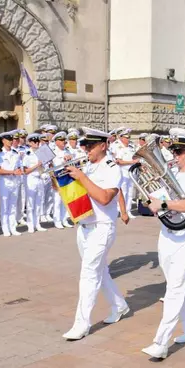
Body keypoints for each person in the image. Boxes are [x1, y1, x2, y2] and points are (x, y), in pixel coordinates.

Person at [141, 128, 185, 360]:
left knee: (174, 290)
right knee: (175, 285)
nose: (175, 155)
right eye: (173, 150)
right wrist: (152, 201)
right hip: (167, 233)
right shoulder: (173, 172)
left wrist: (162, 204)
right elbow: (161, 200)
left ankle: (161, 342)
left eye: (179, 150)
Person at [62, 128, 130, 340]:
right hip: (84, 226)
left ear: (103, 145)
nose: (86, 150)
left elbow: (104, 198)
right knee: (100, 272)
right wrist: (61, 181)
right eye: (84, 146)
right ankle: (119, 306)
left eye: (90, 146)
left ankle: (81, 324)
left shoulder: (111, 168)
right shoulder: (88, 166)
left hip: (102, 227)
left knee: (89, 274)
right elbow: (79, 193)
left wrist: (81, 176)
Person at [0, 131, 24, 236]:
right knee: (5, 206)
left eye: (11, 140)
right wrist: (12, 172)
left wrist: (17, 170)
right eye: (9, 140)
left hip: (14, 181)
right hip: (5, 181)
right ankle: (5, 228)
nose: (11, 141)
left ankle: (13, 227)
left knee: (13, 205)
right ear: (3, 141)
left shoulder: (15, 154)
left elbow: (18, 166)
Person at [22, 133, 46, 233]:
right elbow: (25, 171)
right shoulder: (27, 154)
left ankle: (37, 223)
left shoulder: (41, 153)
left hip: (40, 178)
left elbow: (45, 166)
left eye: (38, 142)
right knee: (31, 203)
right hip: (31, 179)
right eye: (35, 142)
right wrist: (37, 165)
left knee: (38, 203)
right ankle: (30, 224)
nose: (37, 143)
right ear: (30, 143)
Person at [50, 131, 74, 229]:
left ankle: (64, 219)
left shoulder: (68, 151)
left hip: (67, 177)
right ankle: (57, 220)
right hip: (58, 177)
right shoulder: (52, 152)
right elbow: (50, 167)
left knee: (66, 200)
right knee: (57, 201)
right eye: (61, 140)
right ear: (56, 141)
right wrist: (52, 181)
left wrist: (69, 158)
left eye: (64, 140)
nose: (63, 142)